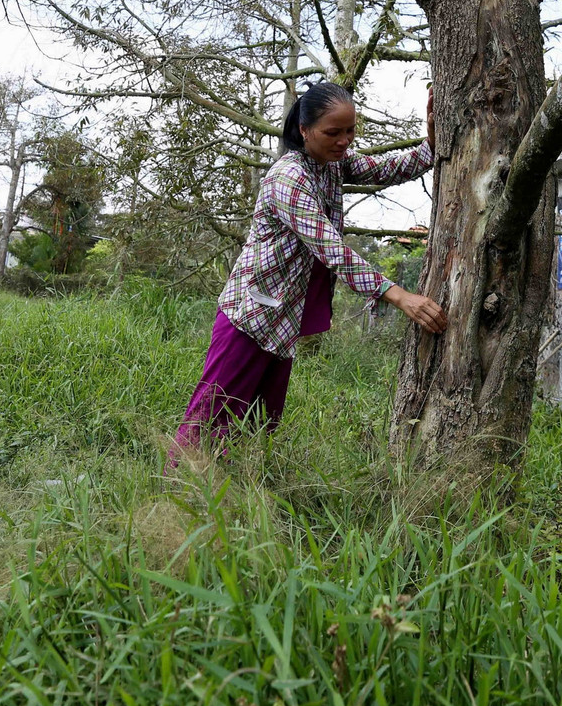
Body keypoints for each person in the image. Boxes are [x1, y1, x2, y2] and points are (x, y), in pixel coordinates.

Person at [171, 81, 447, 458]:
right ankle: (175, 499)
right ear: (304, 130)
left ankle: (239, 503)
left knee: (260, 428)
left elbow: (386, 169)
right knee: (209, 422)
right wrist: (400, 296)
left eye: (350, 131)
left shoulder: (329, 164)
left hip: (282, 321)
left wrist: (431, 143)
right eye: (333, 132)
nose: (344, 141)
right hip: (249, 317)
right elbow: (332, 250)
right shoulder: (290, 177)